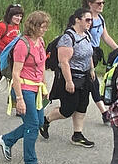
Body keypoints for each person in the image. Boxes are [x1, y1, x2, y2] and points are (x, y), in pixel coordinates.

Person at [0, 10, 51, 164]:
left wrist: (44, 85)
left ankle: (7, 139)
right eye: (42, 27)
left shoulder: (40, 41)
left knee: (39, 120)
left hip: (36, 88)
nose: (44, 30)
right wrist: (19, 99)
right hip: (24, 88)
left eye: (45, 27)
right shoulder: (22, 44)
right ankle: (31, 163)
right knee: (33, 125)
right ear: (33, 26)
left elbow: (41, 65)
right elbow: (16, 73)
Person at [40, 8, 97, 148]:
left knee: (82, 106)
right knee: (68, 109)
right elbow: (64, 61)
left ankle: (77, 134)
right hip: (71, 76)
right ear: (77, 19)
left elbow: (89, 53)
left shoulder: (86, 35)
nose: (90, 22)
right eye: (87, 19)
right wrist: (69, 81)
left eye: (91, 20)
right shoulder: (68, 38)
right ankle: (45, 120)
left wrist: (91, 69)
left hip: (84, 77)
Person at [84, 0, 118, 123]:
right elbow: (83, 39)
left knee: (88, 83)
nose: (101, 5)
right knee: (93, 82)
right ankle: (105, 113)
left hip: (95, 54)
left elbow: (105, 37)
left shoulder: (100, 19)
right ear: (90, 4)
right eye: (98, 3)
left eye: (103, 3)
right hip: (86, 54)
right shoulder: (87, 19)